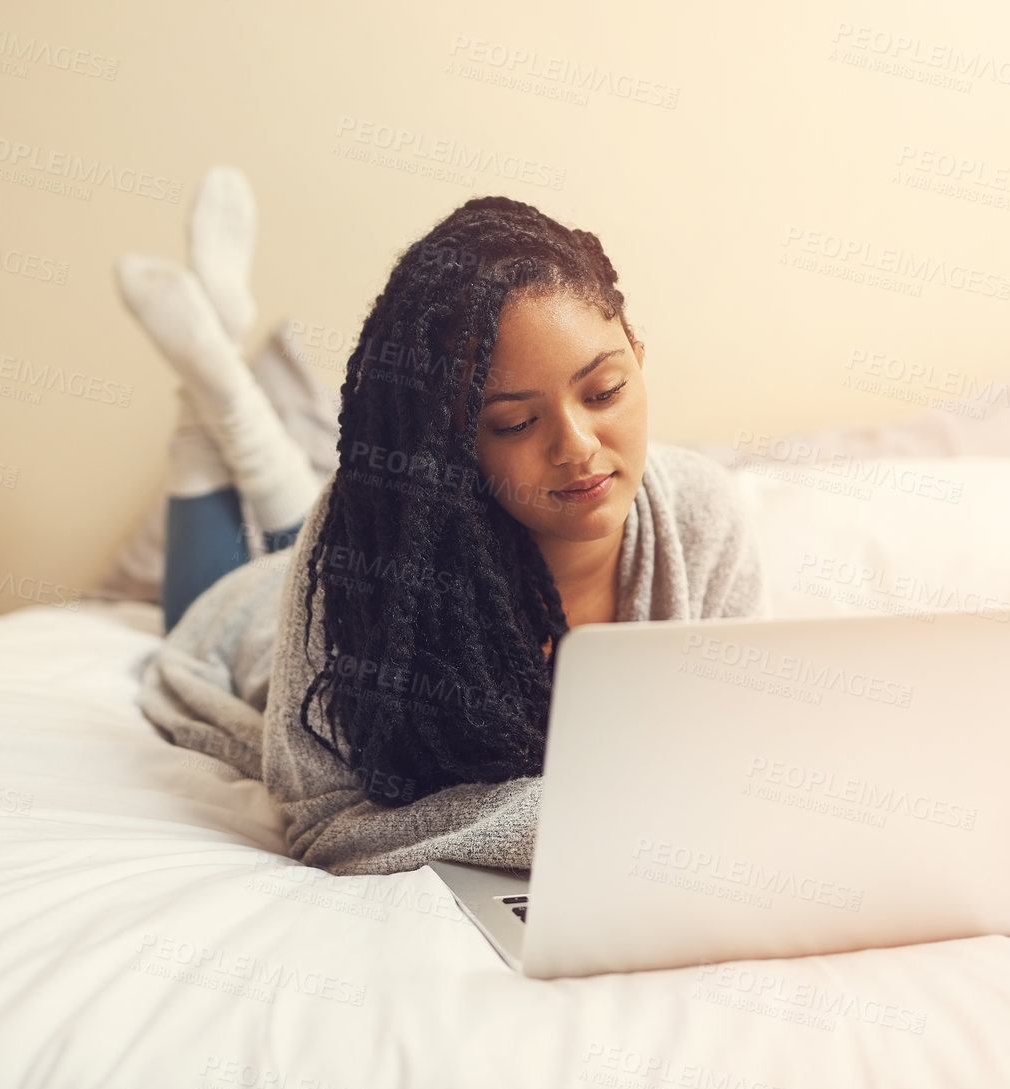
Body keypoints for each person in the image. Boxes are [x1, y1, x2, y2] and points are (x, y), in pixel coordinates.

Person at [124, 182, 768, 876]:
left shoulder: (703, 515)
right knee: (206, 591)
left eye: (604, 390)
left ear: (637, 353)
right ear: (458, 445)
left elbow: (732, 761)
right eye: (515, 423)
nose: (578, 445)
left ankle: (223, 368)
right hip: (258, 614)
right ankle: (210, 397)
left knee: (304, 522)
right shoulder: (368, 553)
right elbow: (325, 820)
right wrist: (578, 821)